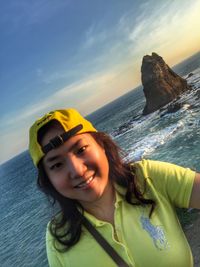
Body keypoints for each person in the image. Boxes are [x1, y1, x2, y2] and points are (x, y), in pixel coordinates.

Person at [29, 108, 200, 267]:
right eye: (57, 165)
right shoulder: (57, 238)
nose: (77, 171)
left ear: (101, 145)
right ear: (49, 180)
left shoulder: (147, 177)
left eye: (81, 149)